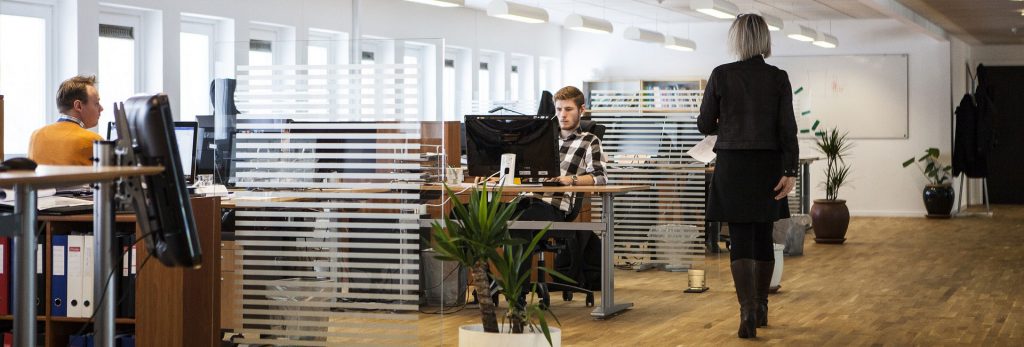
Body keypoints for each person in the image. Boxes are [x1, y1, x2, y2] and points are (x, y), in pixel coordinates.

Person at [697, 14, 798, 339]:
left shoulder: (721, 75)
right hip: (767, 164)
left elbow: (703, 124)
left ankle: (746, 311)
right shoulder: (778, 78)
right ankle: (762, 305)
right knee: (763, 237)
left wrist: (724, 127)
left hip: (733, 165)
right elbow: (787, 130)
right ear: (765, 40)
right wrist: (791, 170)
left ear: (737, 40)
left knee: (740, 239)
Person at [517, 85, 607, 222]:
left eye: (568, 109)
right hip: (526, 199)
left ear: (581, 109)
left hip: (553, 206)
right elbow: (522, 172)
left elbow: (600, 177)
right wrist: (496, 178)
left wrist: (572, 179)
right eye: (559, 109)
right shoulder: (541, 139)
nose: (563, 115)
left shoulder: (589, 140)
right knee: (486, 214)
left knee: (518, 219)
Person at [28, 75, 105, 165]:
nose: (101, 108)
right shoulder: (94, 142)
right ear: (78, 106)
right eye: (97, 103)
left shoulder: (35, 136)